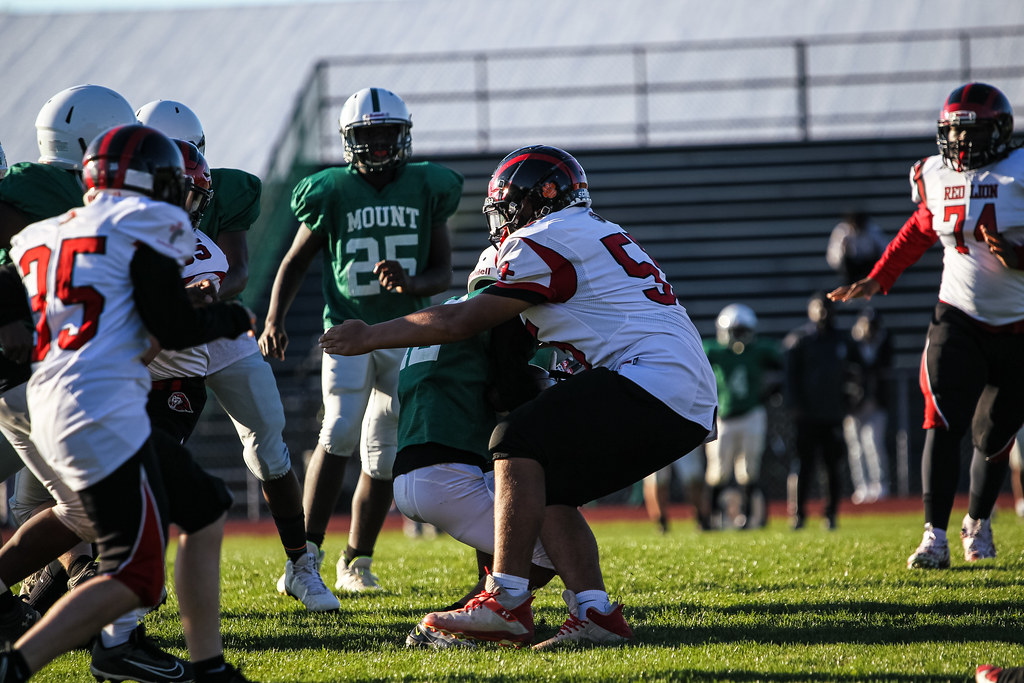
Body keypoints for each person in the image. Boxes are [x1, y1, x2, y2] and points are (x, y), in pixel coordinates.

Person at [317, 145, 718, 648]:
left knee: (515, 437)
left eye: (507, 206)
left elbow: (462, 320)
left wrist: (371, 335)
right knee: (547, 482)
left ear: (533, 202)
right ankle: (595, 614)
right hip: (681, 389)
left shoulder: (542, 239)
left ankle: (504, 601)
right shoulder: (593, 231)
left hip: (653, 377)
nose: (503, 220)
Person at [5, 124, 254, 682]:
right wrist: (234, 319)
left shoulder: (44, 232)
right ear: (147, 182)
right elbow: (171, 322)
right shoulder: (147, 220)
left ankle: (207, 664)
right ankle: (22, 666)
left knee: (204, 503)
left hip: (59, 398)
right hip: (98, 405)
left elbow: (5, 285)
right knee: (136, 573)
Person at [259, 87, 462, 594]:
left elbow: (441, 272)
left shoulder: (426, 186)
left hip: (404, 331)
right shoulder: (330, 189)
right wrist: (273, 319)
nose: (377, 146)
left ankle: (356, 562)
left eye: (386, 135)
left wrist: (409, 283)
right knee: (341, 429)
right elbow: (294, 261)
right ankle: (303, 556)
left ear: (403, 136)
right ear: (350, 140)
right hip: (348, 330)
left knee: (384, 453)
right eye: (367, 136)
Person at [136, 100, 335, 611]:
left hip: (212, 321)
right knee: (145, 450)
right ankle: (128, 568)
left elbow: (239, 269)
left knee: (268, 442)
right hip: (152, 326)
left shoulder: (222, 188)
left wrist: (202, 294)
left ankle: (300, 565)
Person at [829, 82, 1024, 569]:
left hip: (1019, 325)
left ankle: (976, 523)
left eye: (971, 132)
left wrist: (1019, 256)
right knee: (940, 419)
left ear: (999, 131)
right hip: (957, 315)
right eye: (953, 133)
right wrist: (880, 277)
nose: (960, 144)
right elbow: (921, 226)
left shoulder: (1020, 173)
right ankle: (933, 536)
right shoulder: (936, 175)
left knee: (995, 435)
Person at [394, 245, 557, 649]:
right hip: (446, 472)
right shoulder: (496, 318)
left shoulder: (442, 312)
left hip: (413, 468)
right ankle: (457, 626)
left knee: (503, 499)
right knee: (547, 549)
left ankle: (484, 612)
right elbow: (509, 394)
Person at [702, 303, 782, 529]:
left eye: (742, 331)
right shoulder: (714, 351)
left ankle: (748, 518)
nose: (738, 337)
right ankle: (711, 519)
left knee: (748, 470)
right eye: (735, 331)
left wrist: (772, 390)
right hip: (724, 417)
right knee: (717, 470)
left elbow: (783, 360)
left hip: (751, 414)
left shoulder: (759, 350)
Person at [783, 292, 852, 531]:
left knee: (832, 467)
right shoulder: (800, 340)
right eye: (818, 307)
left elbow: (856, 372)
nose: (823, 312)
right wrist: (795, 407)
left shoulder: (842, 340)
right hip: (807, 416)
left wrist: (851, 399)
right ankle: (798, 515)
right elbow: (789, 378)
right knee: (803, 466)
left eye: (826, 307)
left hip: (832, 414)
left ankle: (831, 514)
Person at [844, 307, 893, 504]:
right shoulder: (851, 343)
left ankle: (879, 484)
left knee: (874, 444)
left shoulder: (883, 342)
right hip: (854, 405)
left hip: (875, 404)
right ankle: (861, 485)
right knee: (856, 448)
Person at [826, 211, 888, 285]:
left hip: (868, 263)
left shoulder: (872, 230)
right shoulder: (841, 231)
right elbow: (833, 254)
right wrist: (843, 250)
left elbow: (884, 248)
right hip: (850, 266)